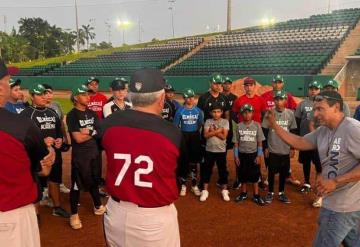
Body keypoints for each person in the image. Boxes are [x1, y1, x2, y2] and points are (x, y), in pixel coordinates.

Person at [100, 68, 187, 247]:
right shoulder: (172, 133)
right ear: (161, 98)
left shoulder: (108, 123)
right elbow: (180, 172)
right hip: (153, 219)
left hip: (115, 213)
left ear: (130, 95)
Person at [264, 90, 360, 247]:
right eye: (314, 109)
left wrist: (336, 181)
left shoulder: (353, 129)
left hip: (341, 207)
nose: (315, 114)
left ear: (336, 107)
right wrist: (274, 125)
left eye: (320, 109)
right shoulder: (323, 131)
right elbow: (299, 142)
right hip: (340, 204)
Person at [0, 60, 55, 247]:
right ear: (0, 88)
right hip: (11, 217)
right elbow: (43, 170)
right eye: (8, 82)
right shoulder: (21, 126)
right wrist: (51, 153)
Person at [20, 84, 70, 218]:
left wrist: (59, 140)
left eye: (44, 94)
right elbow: (23, 139)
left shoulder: (52, 112)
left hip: (54, 154)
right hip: (36, 155)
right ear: (32, 96)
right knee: (35, 182)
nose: (43, 97)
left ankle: (57, 207)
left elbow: (58, 132)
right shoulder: (26, 114)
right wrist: (41, 142)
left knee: (55, 179)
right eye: (39, 94)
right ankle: (35, 214)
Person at [66, 84, 106, 230]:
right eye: (84, 95)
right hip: (80, 156)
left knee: (94, 180)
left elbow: (100, 132)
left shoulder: (92, 113)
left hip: (94, 153)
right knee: (77, 184)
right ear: (76, 98)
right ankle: (74, 214)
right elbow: (77, 139)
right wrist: (93, 132)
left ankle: (97, 205)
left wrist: (88, 131)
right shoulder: (72, 115)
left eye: (88, 95)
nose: (88, 97)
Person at [261, 75, 300, 186]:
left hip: (284, 135)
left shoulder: (288, 96)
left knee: (284, 157)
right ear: (272, 83)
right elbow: (261, 112)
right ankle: (269, 175)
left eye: (279, 82)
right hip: (270, 130)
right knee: (269, 155)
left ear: (282, 83)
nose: (277, 84)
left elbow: (293, 111)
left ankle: (288, 175)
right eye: (275, 82)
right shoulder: (264, 96)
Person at [262, 90, 297, 204]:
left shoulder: (290, 114)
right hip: (273, 148)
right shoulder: (269, 113)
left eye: (281, 99)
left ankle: (281, 192)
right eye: (276, 99)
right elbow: (265, 131)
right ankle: (270, 192)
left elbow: (292, 132)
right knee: (271, 172)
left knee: (283, 172)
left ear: (285, 101)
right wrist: (265, 147)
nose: (278, 102)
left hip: (285, 148)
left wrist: (292, 148)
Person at [232, 77, 267, 189]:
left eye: (251, 85)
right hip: (242, 131)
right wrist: (239, 125)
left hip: (255, 131)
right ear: (244, 87)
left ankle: (258, 178)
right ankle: (239, 178)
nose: (248, 87)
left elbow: (265, 113)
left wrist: (258, 126)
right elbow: (234, 114)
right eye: (246, 85)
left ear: (254, 86)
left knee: (257, 155)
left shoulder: (260, 100)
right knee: (240, 156)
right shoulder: (239, 100)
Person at [233, 104, 266, 206]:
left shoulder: (257, 125)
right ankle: (243, 193)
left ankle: (256, 195)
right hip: (242, 154)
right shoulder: (238, 126)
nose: (247, 115)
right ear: (242, 114)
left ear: (252, 113)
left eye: (249, 112)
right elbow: (236, 143)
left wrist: (259, 155)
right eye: (245, 113)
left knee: (255, 176)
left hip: (253, 154)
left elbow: (260, 142)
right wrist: (236, 156)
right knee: (242, 175)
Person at [174, 88, 204, 197]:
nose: (190, 99)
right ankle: (183, 185)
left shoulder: (198, 111)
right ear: (184, 98)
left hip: (195, 136)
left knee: (194, 162)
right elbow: (176, 126)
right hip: (184, 136)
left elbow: (200, 123)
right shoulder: (180, 111)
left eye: (192, 97)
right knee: (183, 161)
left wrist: (194, 131)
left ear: (194, 98)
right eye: (187, 97)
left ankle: (194, 185)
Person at [42, 83, 71, 194]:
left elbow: (61, 123)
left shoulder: (56, 105)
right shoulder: (39, 107)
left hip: (57, 140)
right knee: (45, 164)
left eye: (50, 92)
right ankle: (44, 189)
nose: (49, 95)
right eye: (46, 92)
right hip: (45, 142)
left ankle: (59, 184)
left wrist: (65, 137)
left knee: (58, 163)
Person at [295, 81, 322, 193]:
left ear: (319, 90)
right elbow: (297, 120)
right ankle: (306, 183)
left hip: (319, 141)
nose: (313, 91)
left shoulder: (323, 104)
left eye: (316, 89)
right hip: (305, 139)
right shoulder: (302, 104)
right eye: (311, 88)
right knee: (306, 162)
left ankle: (319, 185)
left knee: (319, 164)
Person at [200, 102, 230, 202]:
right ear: (210, 112)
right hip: (209, 150)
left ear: (221, 112)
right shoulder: (208, 121)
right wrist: (218, 131)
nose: (216, 114)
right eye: (214, 112)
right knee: (207, 170)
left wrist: (212, 132)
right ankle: (205, 190)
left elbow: (224, 137)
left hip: (221, 150)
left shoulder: (225, 122)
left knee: (223, 171)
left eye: (218, 112)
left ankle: (224, 190)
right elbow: (205, 135)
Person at [222, 76, 238, 150]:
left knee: (229, 145)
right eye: (225, 83)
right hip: (220, 122)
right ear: (222, 85)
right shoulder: (219, 96)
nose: (227, 85)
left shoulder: (234, 98)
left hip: (230, 123)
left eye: (229, 84)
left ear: (231, 85)